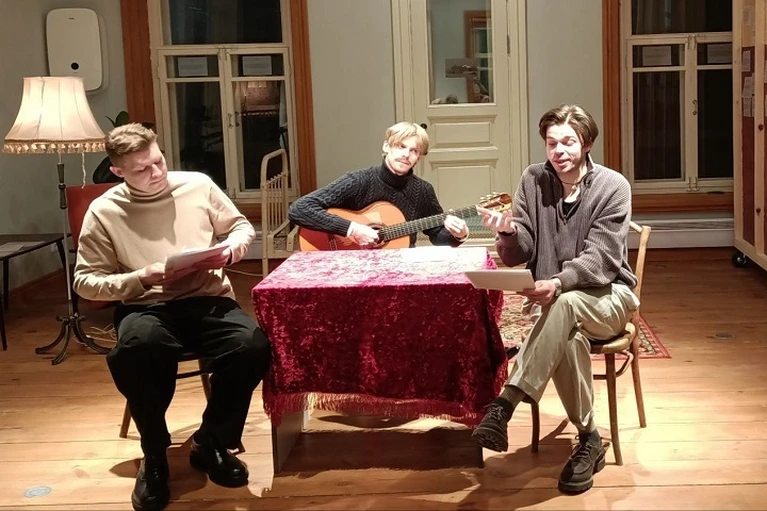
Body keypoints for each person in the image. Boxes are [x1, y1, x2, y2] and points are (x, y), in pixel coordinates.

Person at [73, 123, 271, 511]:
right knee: (139, 349)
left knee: (253, 345)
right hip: (146, 305)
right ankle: (154, 455)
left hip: (207, 297)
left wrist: (232, 249)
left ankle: (211, 441)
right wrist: (140, 277)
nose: (157, 172)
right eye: (142, 169)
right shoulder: (105, 210)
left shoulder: (196, 185)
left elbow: (239, 226)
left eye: (158, 161)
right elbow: (85, 282)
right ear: (118, 171)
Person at [472, 104, 640, 494]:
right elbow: (519, 253)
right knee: (568, 336)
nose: (559, 151)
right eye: (552, 143)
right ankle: (589, 439)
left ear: (587, 143)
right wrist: (508, 233)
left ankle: (506, 402)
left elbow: (600, 259)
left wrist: (559, 282)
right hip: (558, 306)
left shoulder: (613, 186)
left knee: (564, 303)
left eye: (568, 142)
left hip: (609, 297)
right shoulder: (533, 180)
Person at [288, 122, 469, 248]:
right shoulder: (359, 181)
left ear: (418, 158)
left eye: (414, 150)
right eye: (401, 146)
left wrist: (459, 234)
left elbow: (438, 235)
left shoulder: (423, 190)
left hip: (401, 266)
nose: (406, 155)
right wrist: (353, 229)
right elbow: (300, 209)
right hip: (353, 264)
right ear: (386, 147)